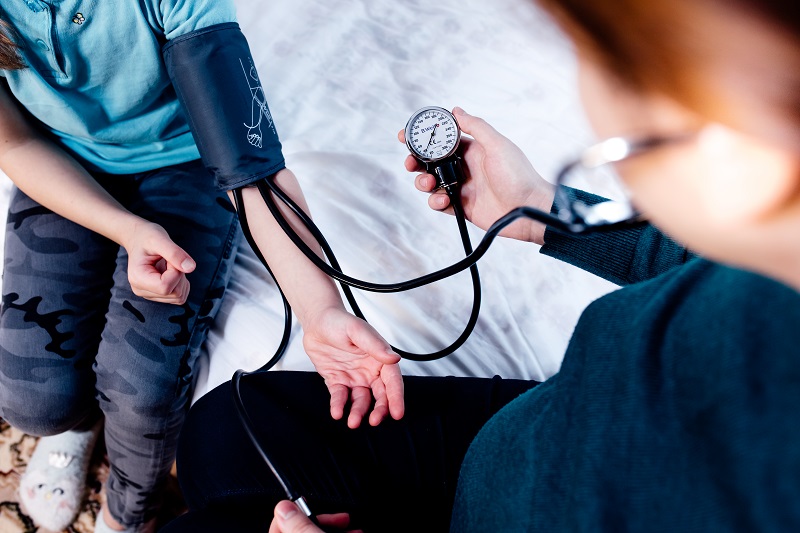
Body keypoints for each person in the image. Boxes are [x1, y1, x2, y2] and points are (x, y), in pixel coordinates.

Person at [161, 0, 800, 531]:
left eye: (601, 59)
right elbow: (698, 261)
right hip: (539, 437)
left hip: (520, 501)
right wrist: (540, 210)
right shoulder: (765, 245)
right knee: (220, 432)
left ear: (736, 159)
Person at [0, 2, 404, 533]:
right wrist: (126, 229)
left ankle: (130, 511)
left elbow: (250, 169)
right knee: (34, 403)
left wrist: (320, 309)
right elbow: (15, 141)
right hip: (58, 158)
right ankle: (79, 422)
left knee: (141, 393)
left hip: (186, 162)